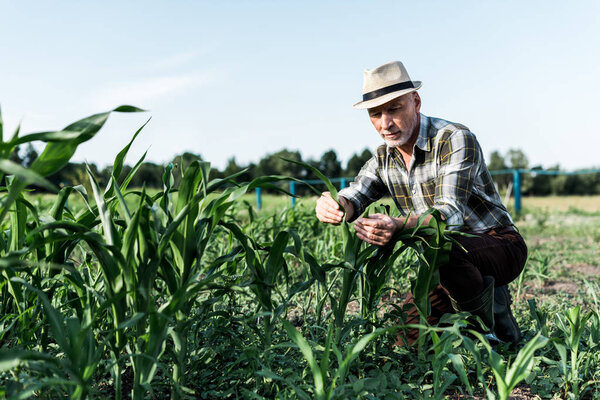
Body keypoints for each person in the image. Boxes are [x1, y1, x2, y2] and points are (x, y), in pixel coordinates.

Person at [315, 61, 527, 344]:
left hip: (498, 245)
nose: (385, 123)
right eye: (375, 114)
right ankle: (476, 298)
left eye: (394, 108)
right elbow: (356, 193)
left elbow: (449, 214)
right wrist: (336, 205)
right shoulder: (383, 157)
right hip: (439, 262)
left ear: (415, 101)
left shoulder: (453, 138)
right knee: (408, 340)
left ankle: (489, 329)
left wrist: (397, 225)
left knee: (448, 247)